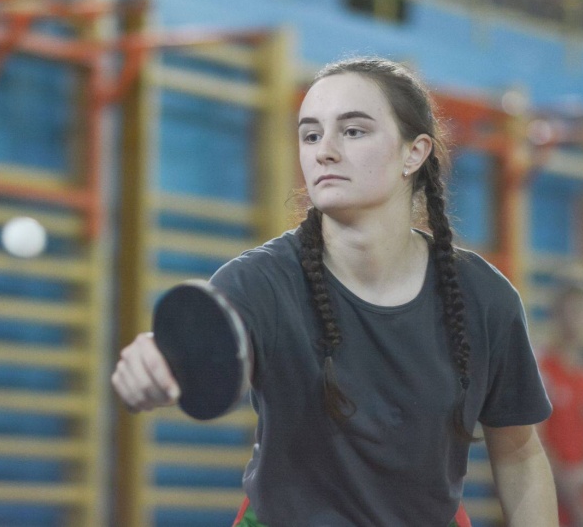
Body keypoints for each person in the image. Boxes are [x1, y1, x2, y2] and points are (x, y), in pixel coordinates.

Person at [112, 56, 558, 526]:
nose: (324, 151)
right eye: (310, 135)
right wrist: (155, 362)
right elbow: (200, 345)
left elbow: (519, 454)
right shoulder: (259, 282)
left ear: (414, 153)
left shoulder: (485, 299)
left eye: (353, 131)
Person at [539, 283, 583, 526]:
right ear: (556, 315)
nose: (575, 321)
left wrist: (582, 480)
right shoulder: (541, 370)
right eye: (570, 311)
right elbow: (534, 442)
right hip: (548, 505)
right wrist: (573, 497)